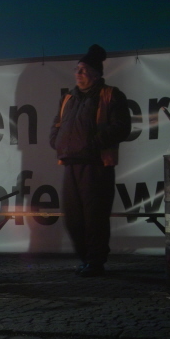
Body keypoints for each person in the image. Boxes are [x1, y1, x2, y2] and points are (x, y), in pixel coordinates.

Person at [49, 44, 131, 277]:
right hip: (70, 164)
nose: (78, 73)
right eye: (77, 69)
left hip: (97, 166)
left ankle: (95, 261)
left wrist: (92, 143)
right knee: (73, 218)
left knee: (95, 217)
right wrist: (57, 141)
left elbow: (121, 127)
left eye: (83, 70)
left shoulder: (111, 95)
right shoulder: (68, 98)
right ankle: (85, 258)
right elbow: (57, 125)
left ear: (96, 74)